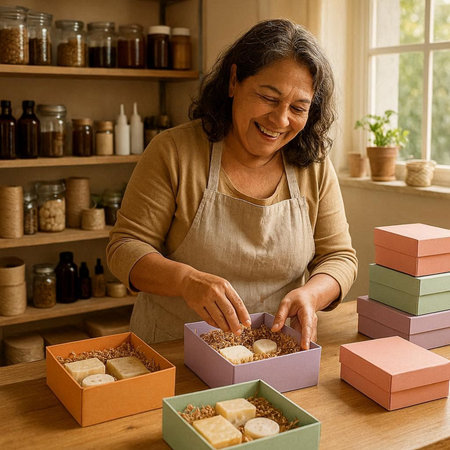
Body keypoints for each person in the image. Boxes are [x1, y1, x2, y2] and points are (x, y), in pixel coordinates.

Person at [107, 19, 357, 350]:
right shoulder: (174, 152)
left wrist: (313, 294)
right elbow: (124, 248)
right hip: (173, 351)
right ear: (234, 81)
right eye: (269, 97)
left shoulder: (314, 166)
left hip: (279, 352)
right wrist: (186, 281)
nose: (280, 120)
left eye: (298, 108)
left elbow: (340, 257)